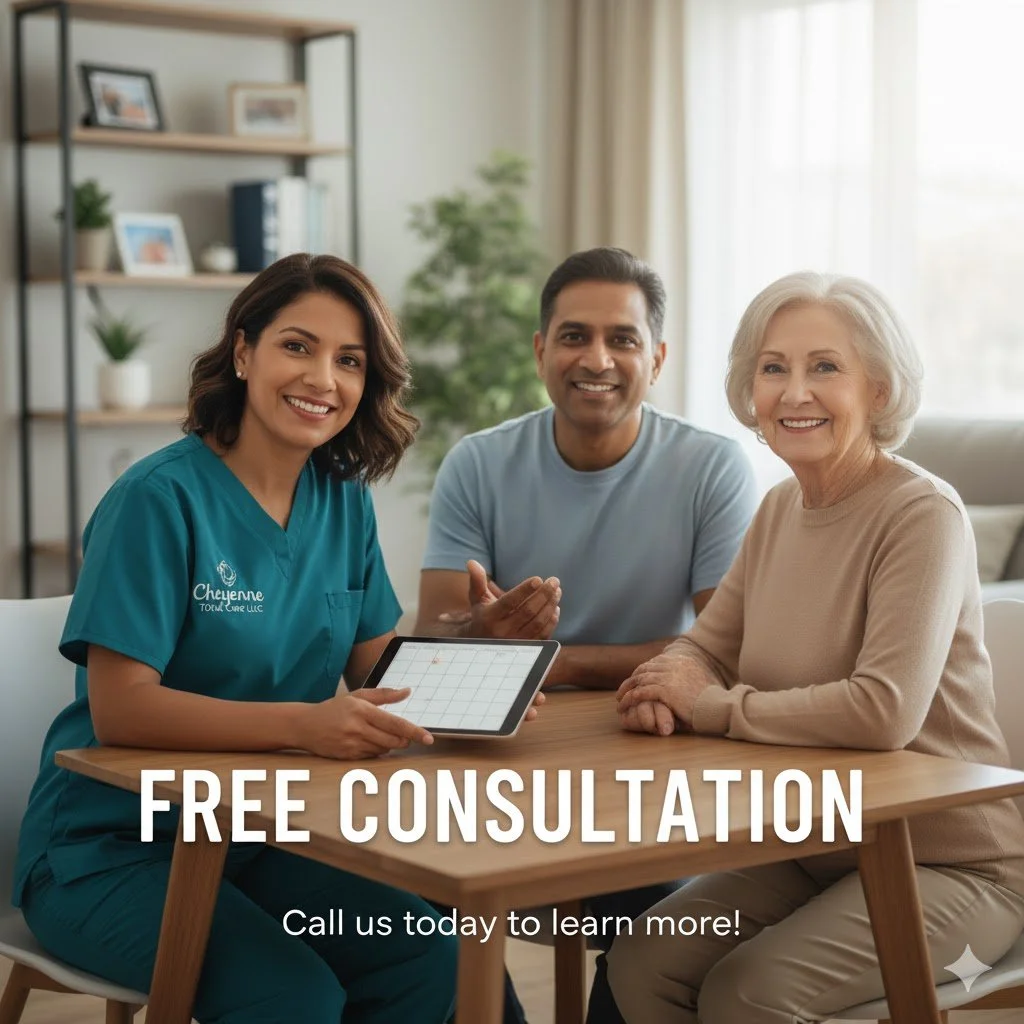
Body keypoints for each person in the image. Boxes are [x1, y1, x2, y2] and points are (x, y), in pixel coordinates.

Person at [13, 254, 462, 1024]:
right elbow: (122, 712)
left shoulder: (343, 502)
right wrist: (305, 727)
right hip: (110, 849)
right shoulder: (157, 500)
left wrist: (478, 644)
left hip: (255, 837)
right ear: (245, 352)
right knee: (290, 993)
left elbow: (386, 672)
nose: (323, 378)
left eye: (348, 360)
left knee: (424, 948)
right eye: (298, 346)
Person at [608, 271, 1024, 1022]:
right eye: (774, 369)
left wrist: (707, 706)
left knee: (748, 993)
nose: (794, 392)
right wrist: (670, 678)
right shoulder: (778, 510)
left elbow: (882, 713)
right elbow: (707, 646)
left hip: (953, 867)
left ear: (880, 389)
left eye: (824, 367)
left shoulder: (921, 513)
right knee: (643, 960)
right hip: (819, 850)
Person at [415, 247, 758, 1023]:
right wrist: (479, 629)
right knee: (412, 909)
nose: (596, 359)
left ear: (657, 358)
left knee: (674, 932)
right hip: (506, 780)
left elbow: (725, 646)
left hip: (649, 773)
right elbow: (434, 636)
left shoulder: (712, 469)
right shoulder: (478, 463)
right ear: (540, 350)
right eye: (573, 336)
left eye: (622, 339)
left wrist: (548, 663)